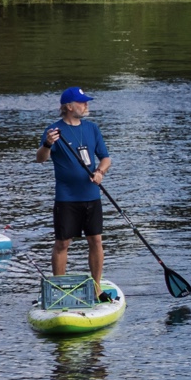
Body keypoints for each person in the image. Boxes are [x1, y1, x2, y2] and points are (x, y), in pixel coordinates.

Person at [36, 86, 114, 296]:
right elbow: (41, 159)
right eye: (82, 102)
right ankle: (58, 288)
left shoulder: (92, 128)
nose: (86, 105)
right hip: (66, 197)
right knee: (62, 242)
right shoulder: (54, 131)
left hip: (91, 195)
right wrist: (47, 144)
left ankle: (96, 287)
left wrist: (100, 172)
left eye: (86, 101)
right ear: (69, 107)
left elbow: (106, 158)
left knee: (95, 240)